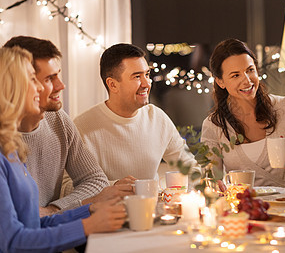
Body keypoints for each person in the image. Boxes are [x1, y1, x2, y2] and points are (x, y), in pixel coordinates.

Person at [0, 46, 126, 253]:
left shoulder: (11, 149)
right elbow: (12, 242)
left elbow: (35, 224)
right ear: (10, 87)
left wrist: (89, 209)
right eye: (33, 80)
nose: (41, 89)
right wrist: (88, 225)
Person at [201, 38, 285, 187]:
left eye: (250, 70)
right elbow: (212, 179)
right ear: (220, 82)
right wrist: (213, 184)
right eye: (235, 75)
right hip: (243, 208)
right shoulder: (213, 125)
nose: (247, 80)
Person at [74, 43, 199, 184]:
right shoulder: (82, 127)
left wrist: (209, 181)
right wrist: (112, 186)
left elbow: (188, 166)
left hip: (152, 204)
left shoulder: (157, 117)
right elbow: (68, 186)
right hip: (107, 206)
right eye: (137, 77)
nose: (147, 83)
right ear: (113, 85)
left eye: (147, 74)